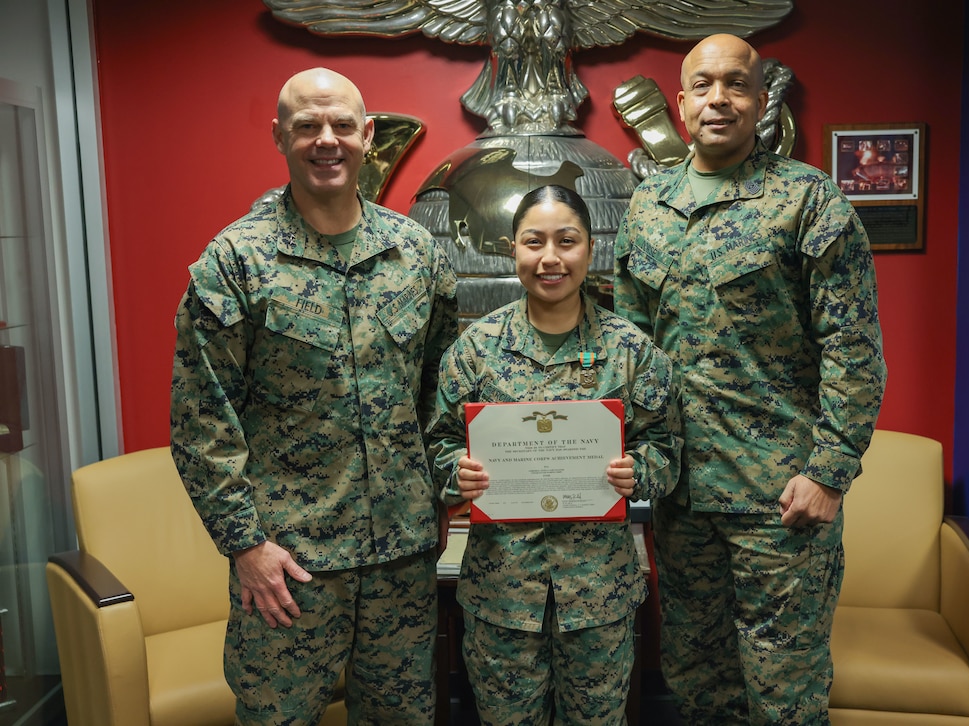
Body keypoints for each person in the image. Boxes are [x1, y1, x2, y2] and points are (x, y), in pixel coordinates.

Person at [170, 67, 459, 725]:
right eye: (307, 126)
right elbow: (200, 418)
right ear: (280, 136)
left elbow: (439, 392)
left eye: (340, 125)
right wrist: (245, 545)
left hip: (401, 558)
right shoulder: (236, 261)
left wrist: (439, 494)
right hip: (289, 567)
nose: (326, 140)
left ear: (368, 134)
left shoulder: (415, 253)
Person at [613, 34, 888, 725]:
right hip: (683, 505)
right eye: (702, 86)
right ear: (679, 104)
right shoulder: (648, 210)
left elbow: (853, 349)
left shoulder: (807, 202)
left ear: (760, 101)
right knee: (699, 689)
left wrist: (829, 473)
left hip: (780, 503)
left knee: (784, 699)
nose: (718, 99)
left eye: (736, 84)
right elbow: (630, 354)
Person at [426, 184, 682, 725]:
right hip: (502, 597)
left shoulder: (631, 351)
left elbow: (666, 446)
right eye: (533, 242)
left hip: (598, 597)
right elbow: (436, 442)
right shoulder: (475, 350)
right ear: (512, 250)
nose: (550, 258)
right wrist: (457, 473)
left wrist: (643, 473)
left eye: (566, 242)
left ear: (590, 249)